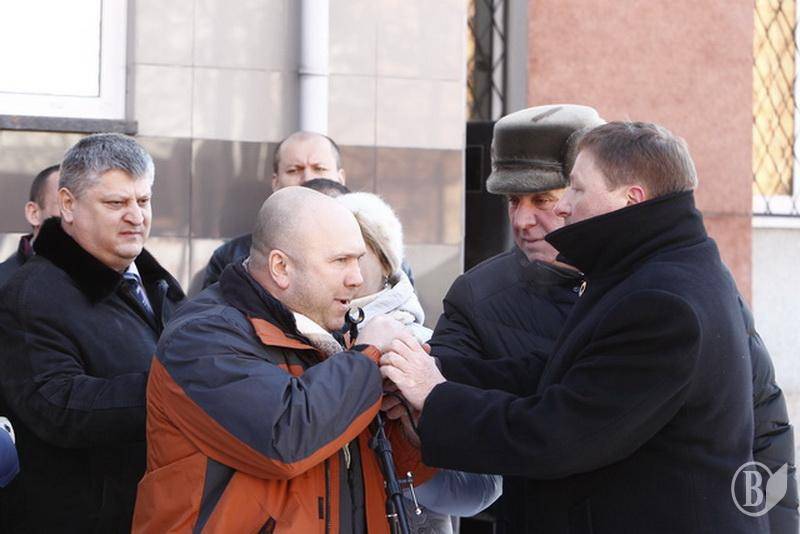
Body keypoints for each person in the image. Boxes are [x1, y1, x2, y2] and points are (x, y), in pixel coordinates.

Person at [381, 121, 773, 533]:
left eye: (577, 189)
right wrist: (437, 371)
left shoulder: (662, 300)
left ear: (631, 198)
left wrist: (435, 396)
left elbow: (559, 435)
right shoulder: (651, 269)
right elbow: (559, 372)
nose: (564, 206)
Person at [132, 186, 433, 533]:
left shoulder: (333, 331)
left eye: (358, 259)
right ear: (280, 267)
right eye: (340, 261)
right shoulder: (201, 337)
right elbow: (285, 438)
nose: (357, 278)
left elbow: (387, 471)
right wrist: (367, 359)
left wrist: (412, 427)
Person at [0, 133, 185, 533]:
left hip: (162, 510)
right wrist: (177, 391)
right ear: (68, 205)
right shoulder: (30, 295)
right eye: (116, 203)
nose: (136, 216)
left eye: (143, 201)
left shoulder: (156, 279)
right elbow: (58, 405)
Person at [338, 192, 502, 533]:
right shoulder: (297, 338)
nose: (346, 271)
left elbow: (482, 489)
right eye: (334, 255)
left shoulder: (423, 349)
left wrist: (415, 437)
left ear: (386, 262)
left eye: (356, 255)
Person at [201, 131, 347, 288]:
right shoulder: (231, 258)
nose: (307, 178)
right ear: (275, 182)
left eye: (319, 169)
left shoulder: (363, 248)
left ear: (340, 179)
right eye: (294, 170)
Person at [0, 164, 61, 287]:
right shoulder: (5, 283)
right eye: (65, 203)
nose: (77, 214)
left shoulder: (100, 280)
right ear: (34, 214)